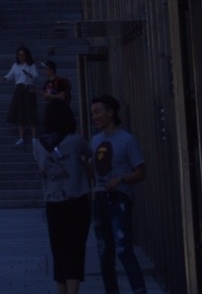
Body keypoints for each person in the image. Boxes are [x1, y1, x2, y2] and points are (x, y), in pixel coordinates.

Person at [34, 98, 93, 294]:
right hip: (76, 200)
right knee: (75, 248)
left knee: (58, 249)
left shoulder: (38, 144)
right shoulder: (76, 140)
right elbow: (90, 156)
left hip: (52, 202)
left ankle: (61, 291)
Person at [90, 95, 148, 294]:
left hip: (119, 200)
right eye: (92, 113)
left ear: (110, 112)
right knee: (105, 253)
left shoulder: (127, 139)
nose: (94, 117)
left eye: (98, 112)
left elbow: (141, 172)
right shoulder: (95, 140)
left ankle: (139, 290)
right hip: (99, 199)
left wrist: (122, 179)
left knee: (123, 250)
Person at [5, 46, 40, 144]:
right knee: (20, 112)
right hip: (19, 89)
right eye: (19, 55)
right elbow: (10, 75)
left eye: (23, 55)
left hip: (28, 88)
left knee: (30, 111)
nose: (21, 57)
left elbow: (35, 76)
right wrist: (4, 78)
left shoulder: (31, 65)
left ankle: (34, 137)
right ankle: (21, 137)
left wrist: (28, 75)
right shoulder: (15, 65)